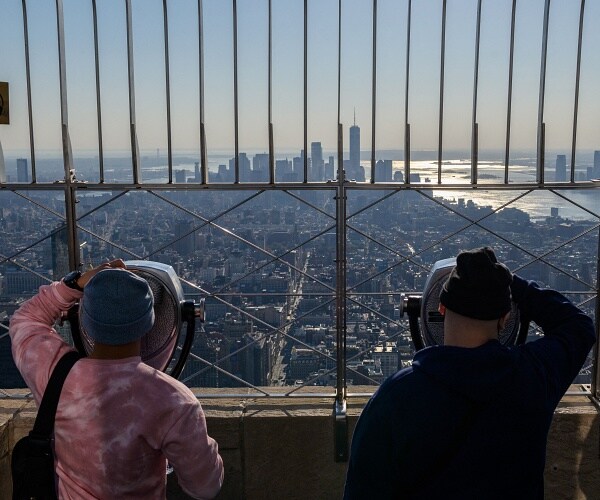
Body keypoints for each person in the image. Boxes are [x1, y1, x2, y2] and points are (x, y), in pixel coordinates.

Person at [343, 247, 595, 500]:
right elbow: (579, 327)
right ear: (505, 318)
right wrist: (509, 283)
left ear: (440, 308)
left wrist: (478, 276)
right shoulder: (533, 376)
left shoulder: (395, 396)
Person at [10, 259, 224, 499]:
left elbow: (25, 319)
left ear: (84, 321)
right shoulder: (174, 401)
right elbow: (205, 487)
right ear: (151, 322)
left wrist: (76, 283)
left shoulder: (54, 373)